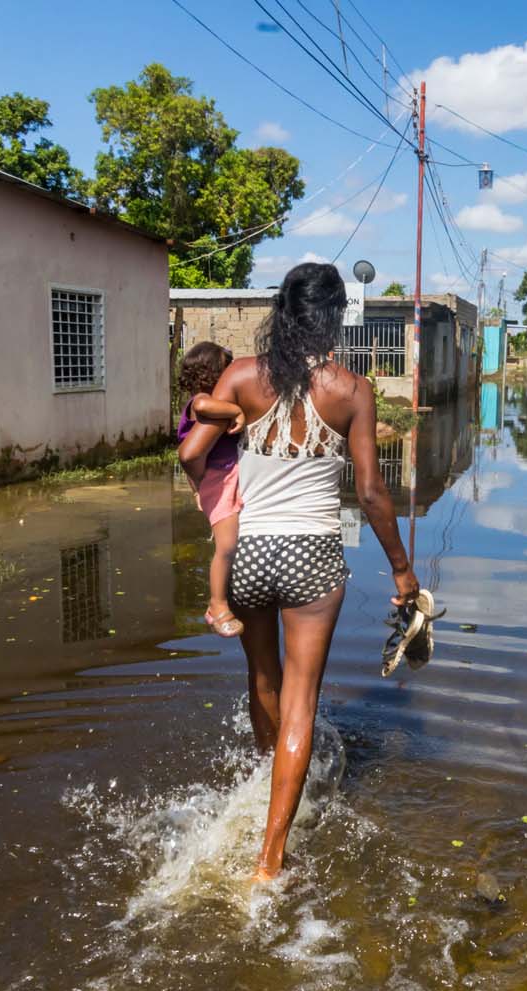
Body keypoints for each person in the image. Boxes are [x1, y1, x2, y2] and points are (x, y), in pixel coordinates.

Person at [179, 262, 418, 881]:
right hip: (313, 556)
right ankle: (269, 860)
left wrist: (218, 509)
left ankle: (268, 788)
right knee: (301, 705)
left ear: (282, 313)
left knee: (263, 677)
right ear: (335, 315)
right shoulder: (351, 389)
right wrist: (402, 574)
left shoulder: (239, 377)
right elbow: (369, 493)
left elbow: (192, 453)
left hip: (250, 554)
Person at [176, 342, 247, 638]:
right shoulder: (202, 401)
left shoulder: (207, 401)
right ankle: (216, 605)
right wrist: (237, 411)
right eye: (226, 366)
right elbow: (204, 407)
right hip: (217, 479)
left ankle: (225, 597)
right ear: (211, 372)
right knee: (226, 545)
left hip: (221, 476)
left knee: (232, 542)